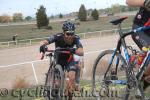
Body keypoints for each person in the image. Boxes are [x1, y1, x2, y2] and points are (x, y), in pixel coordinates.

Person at [39, 21, 84, 95]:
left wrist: (74, 50)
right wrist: (42, 45)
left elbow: (81, 52)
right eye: (68, 34)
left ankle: (69, 94)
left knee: (72, 79)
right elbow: (45, 41)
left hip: (69, 60)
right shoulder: (58, 36)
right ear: (64, 33)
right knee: (57, 85)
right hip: (58, 60)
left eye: (72, 33)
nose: (70, 36)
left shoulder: (76, 38)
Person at [126, 0, 150, 91]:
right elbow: (128, 1)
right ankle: (139, 78)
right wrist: (145, 3)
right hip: (140, 28)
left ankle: (142, 81)